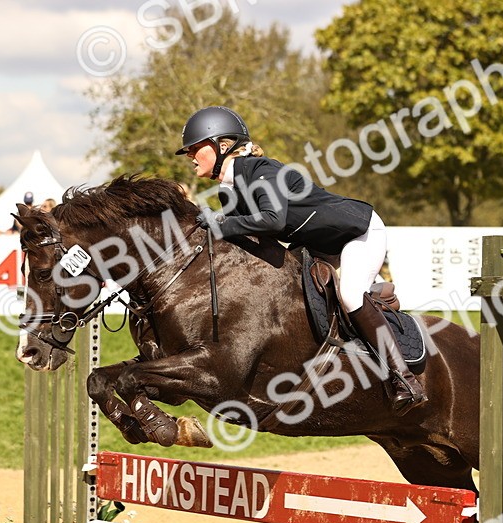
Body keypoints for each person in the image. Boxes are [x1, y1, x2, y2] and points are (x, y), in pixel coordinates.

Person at [177, 105, 426, 414]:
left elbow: (271, 220)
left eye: (195, 148)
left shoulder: (262, 170)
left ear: (222, 145)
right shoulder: (230, 189)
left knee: (349, 295)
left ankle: (403, 378)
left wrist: (219, 223)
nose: (190, 155)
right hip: (316, 244)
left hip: (357, 232)